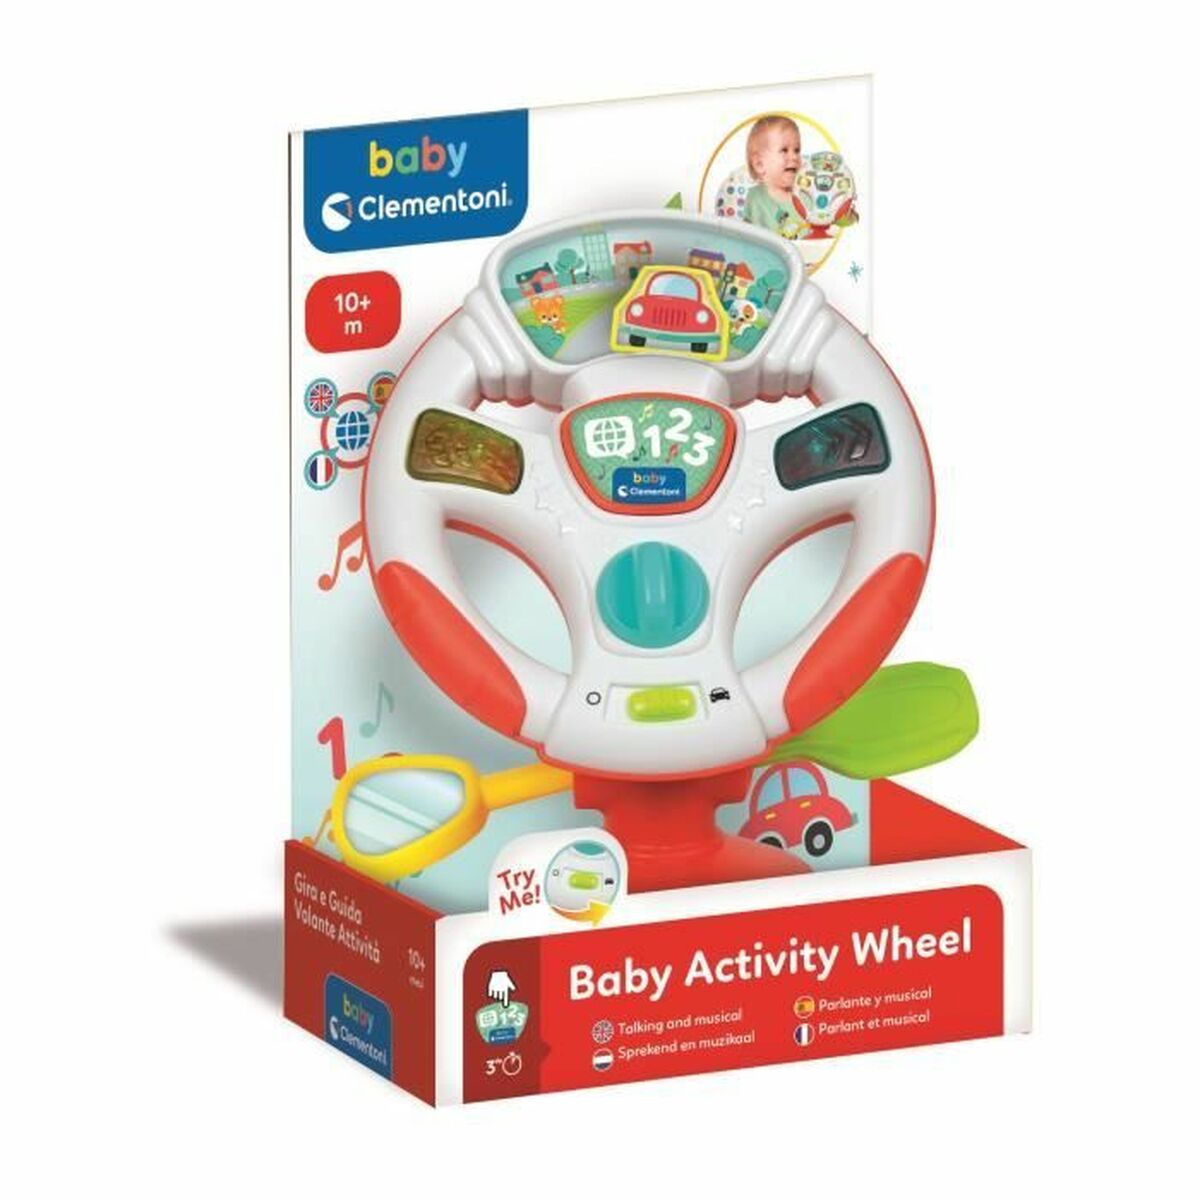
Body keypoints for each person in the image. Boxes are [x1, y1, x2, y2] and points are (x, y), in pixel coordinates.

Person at [742, 115, 808, 240]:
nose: (794, 157)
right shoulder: (755, 198)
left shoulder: (806, 196)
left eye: (797, 150)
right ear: (760, 164)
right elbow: (746, 237)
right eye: (784, 150)